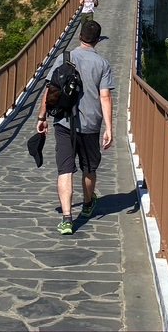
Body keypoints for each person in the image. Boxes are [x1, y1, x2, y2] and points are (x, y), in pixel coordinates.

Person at [36, 20, 114, 235]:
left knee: (65, 170)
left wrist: (42, 117)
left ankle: (67, 218)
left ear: (80, 36)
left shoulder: (64, 58)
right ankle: (88, 204)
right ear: (97, 40)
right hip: (90, 124)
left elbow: (50, 90)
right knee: (89, 168)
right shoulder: (102, 64)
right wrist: (109, 128)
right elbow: (105, 96)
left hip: (63, 122)